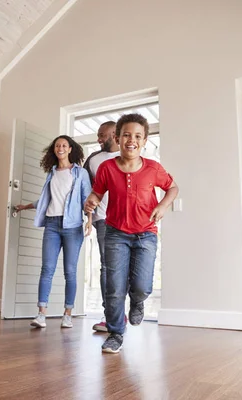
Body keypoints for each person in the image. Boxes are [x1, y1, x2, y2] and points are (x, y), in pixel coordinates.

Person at [84, 113, 179, 353]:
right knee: (114, 287)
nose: (131, 140)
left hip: (145, 234)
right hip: (116, 234)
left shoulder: (153, 168)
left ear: (145, 140)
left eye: (137, 136)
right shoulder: (106, 168)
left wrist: (162, 205)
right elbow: (97, 192)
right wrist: (91, 201)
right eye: (126, 134)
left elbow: (172, 188)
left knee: (142, 286)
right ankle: (116, 333)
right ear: (117, 138)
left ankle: (137, 302)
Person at [15, 135, 91, 329]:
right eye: (57, 145)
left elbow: (87, 199)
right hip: (52, 224)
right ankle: (41, 314)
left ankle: (67, 314)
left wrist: (89, 220)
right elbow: (47, 199)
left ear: (70, 149)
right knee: (47, 269)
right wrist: (26, 206)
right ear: (54, 150)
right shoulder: (52, 173)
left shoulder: (80, 173)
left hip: (73, 226)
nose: (61, 148)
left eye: (64, 145)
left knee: (70, 271)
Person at [82, 121, 124, 332]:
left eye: (102, 135)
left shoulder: (128, 156)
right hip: (103, 220)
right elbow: (86, 189)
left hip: (127, 220)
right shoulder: (93, 159)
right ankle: (111, 316)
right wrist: (88, 217)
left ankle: (122, 313)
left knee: (126, 268)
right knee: (107, 267)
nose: (98, 139)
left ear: (114, 134)